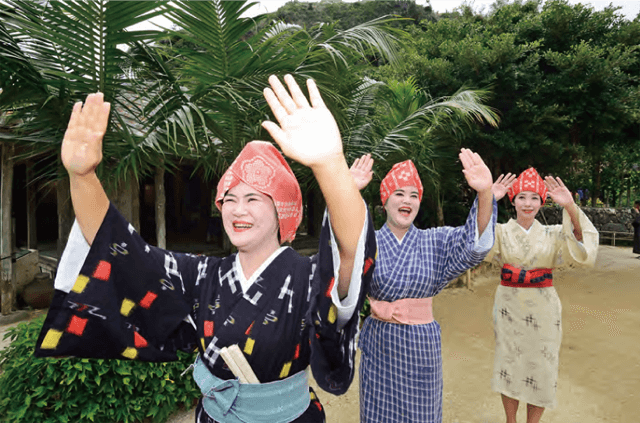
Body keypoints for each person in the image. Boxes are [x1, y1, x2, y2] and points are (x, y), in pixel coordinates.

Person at [34, 75, 377, 423]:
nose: (237, 209)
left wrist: (330, 165)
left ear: (282, 212)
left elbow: (348, 251)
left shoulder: (307, 277)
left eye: (253, 199)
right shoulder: (201, 274)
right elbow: (122, 251)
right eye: (229, 199)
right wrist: (83, 177)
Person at [350, 151, 497, 422]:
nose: (407, 200)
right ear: (385, 200)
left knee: (422, 415)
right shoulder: (368, 240)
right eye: (399, 194)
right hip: (379, 345)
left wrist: (485, 192)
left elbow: (472, 244)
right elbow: (340, 248)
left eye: (414, 195)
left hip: (420, 347)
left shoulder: (436, 241)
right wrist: (346, 193)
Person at [487, 168, 599, 423]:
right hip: (508, 303)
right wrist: (487, 199)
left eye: (534, 198)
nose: (527, 203)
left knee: (543, 366)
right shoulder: (501, 231)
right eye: (522, 197)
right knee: (509, 362)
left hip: (544, 304)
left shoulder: (554, 232)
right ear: (512, 200)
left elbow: (581, 243)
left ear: (541, 202)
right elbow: (476, 241)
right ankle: (510, 420)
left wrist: (570, 206)